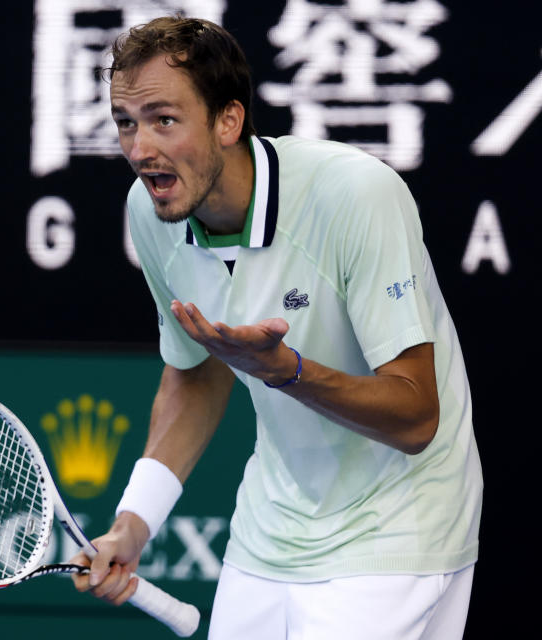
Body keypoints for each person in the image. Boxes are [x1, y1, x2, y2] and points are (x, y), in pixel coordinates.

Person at [70, 16, 482, 640]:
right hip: (271, 529)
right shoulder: (150, 213)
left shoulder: (355, 193)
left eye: (163, 120)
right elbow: (196, 373)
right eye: (126, 122)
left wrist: (286, 372)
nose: (139, 148)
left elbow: (419, 416)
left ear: (228, 121)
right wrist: (134, 522)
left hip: (399, 530)